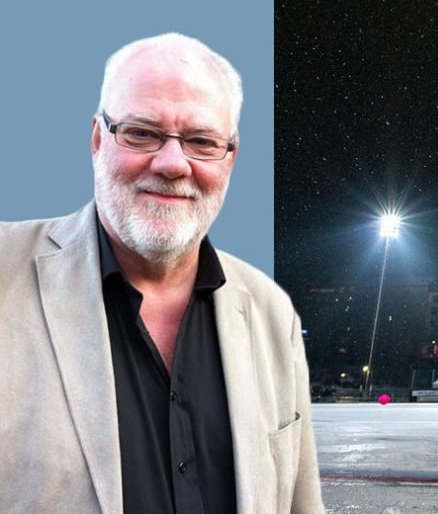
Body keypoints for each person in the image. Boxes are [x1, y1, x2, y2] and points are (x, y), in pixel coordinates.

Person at [0, 34, 323, 512]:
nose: (173, 163)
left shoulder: (272, 312)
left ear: (230, 157)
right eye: (142, 133)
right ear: (97, 139)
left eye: (201, 141)